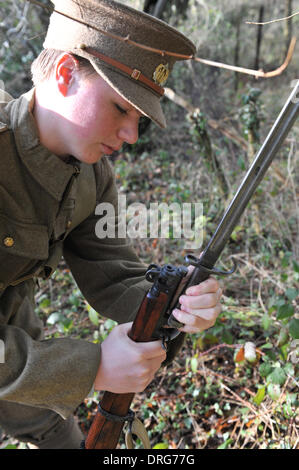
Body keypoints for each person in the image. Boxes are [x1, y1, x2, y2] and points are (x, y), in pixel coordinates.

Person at [0, 0, 223, 449]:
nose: (131, 135)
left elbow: (113, 272)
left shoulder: (91, 175)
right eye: (121, 108)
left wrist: (181, 303)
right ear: (64, 73)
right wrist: (94, 366)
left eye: (138, 119)